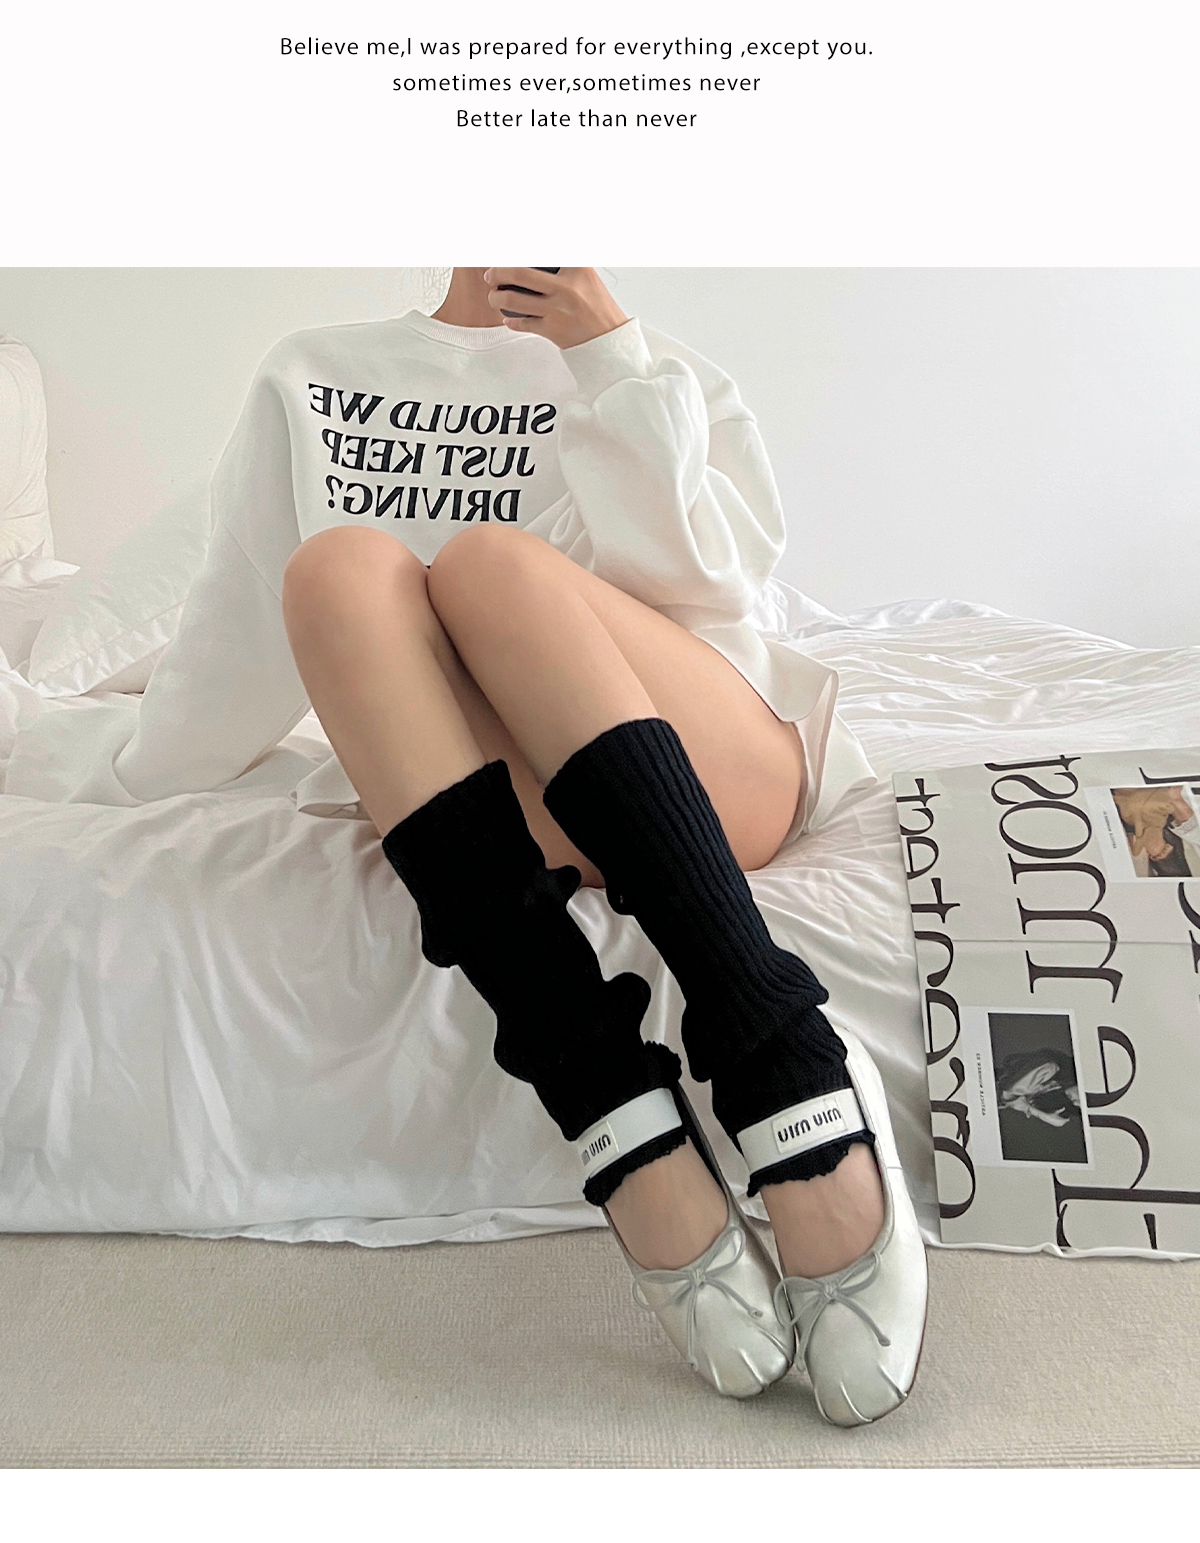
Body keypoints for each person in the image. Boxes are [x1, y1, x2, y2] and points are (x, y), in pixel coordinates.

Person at [41, 268, 929, 1424]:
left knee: (489, 565)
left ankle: (785, 1059)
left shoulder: (653, 363)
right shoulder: (313, 375)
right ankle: (616, 1112)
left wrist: (611, 361)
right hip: (518, 810)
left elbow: (717, 592)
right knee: (333, 571)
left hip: (703, 771)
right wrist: (119, 769)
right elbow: (244, 627)